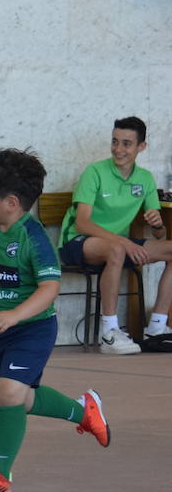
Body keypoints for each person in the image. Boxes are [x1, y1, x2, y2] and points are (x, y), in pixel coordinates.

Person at [0, 148, 110, 492]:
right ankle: (84, 411)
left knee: (7, 393)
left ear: (10, 202)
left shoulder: (33, 238)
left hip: (33, 329)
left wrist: (17, 314)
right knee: (19, 399)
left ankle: (0, 475)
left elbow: (50, 288)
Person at [57, 116, 170, 354]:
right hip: (76, 243)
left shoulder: (145, 179)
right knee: (117, 250)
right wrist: (124, 242)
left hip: (118, 246)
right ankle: (108, 333)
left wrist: (158, 225)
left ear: (141, 147)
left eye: (126, 144)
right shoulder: (94, 172)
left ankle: (157, 328)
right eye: (115, 141)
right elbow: (83, 223)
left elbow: (159, 234)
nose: (118, 149)